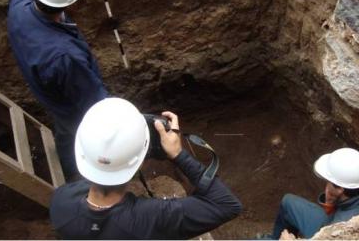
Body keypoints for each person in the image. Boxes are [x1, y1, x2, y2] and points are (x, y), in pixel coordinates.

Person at [49, 98, 242, 239]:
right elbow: (227, 205)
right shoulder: (151, 218)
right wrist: (178, 154)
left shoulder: (61, 201)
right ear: (140, 162)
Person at [7, 0, 108, 181]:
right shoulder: (65, 57)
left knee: (64, 131)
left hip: (49, 93)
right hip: (71, 106)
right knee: (83, 135)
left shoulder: (20, 3)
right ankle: (85, 179)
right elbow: (94, 103)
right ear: (70, 3)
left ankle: (69, 169)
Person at [272, 148, 359, 239]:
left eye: (328, 181)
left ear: (340, 189)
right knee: (288, 202)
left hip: (329, 230)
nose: (326, 184)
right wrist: (331, 201)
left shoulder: (340, 228)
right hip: (333, 218)